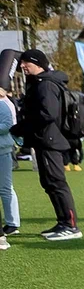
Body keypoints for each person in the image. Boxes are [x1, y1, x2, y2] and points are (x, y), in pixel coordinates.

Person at [12, 50, 80, 240]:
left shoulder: (46, 85)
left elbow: (47, 113)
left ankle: (70, 225)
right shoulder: (40, 83)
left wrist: (22, 127)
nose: (22, 66)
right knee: (49, 183)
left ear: (38, 63)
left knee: (56, 183)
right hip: (45, 140)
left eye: (26, 63)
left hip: (49, 141)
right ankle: (63, 222)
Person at [0, 84, 19, 241]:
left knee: (5, 188)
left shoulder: (3, 105)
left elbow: (7, 126)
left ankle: (13, 223)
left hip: (2, 151)